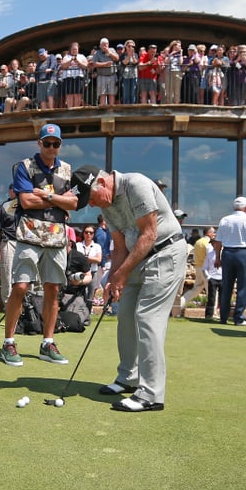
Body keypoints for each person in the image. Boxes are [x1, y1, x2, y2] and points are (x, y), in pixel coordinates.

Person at [70, 165, 187, 411]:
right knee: (125, 315)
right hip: (138, 256)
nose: (91, 205)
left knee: (147, 317)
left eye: (90, 197)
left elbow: (149, 234)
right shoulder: (106, 204)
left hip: (165, 252)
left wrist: (122, 274)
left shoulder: (137, 184)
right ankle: (129, 377)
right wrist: (114, 279)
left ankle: (151, 394)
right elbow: (120, 245)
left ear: (101, 183)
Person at [0, 123, 76, 367]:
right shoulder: (24, 166)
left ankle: (47, 342)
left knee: (53, 290)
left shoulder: (66, 169)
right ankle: (9, 342)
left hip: (56, 238)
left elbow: (73, 203)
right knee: (20, 287)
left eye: (56, 144)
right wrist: (59, 201)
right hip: (28, 236)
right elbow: (25, 201)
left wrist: (45, 195)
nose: (51, 147)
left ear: (60, 145)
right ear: (39, 143)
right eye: (47, 143)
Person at [212, 197, 246, 326]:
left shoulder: (225, 220)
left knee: (227, 286)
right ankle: (238, 317)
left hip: (228, 253)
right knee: (243, 287)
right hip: (244, 254)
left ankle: (223, 316)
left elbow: (218, 241)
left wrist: (217, 257)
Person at [0, 185, 19, 309]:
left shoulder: (28, 204)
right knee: (7, 276)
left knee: (27, 277)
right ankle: (8, 309)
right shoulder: (5, 206)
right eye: (14, 189)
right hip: (8, 243)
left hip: (25, 243)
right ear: (10, 191)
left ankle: (27, 312)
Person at [180, 226, 214, 315]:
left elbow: (195, 256)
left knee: (196, 289)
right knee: (211, 291)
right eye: (213, 232)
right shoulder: (208, 243)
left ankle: (179, 304)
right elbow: (211, 257)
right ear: (208, 233)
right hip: (207, 269)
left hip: (198, 268)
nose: (214, 234)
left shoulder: (198, 242)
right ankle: (212, 312)